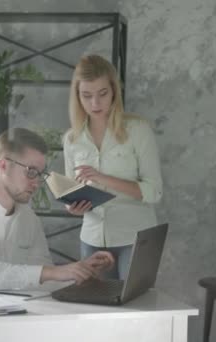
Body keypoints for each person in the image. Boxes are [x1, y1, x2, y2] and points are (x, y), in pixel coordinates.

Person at [0, 128, 114, 290]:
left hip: (5, 317)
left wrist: (80, 271)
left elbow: (44, 280)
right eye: (30, 171)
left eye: (39, 174)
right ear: (3, 165)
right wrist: (55, 272)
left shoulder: (29, 218)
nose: (36, 182)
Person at [63, 55, 163, 280]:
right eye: (86, 96)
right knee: (97, 312)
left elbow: (154, 191)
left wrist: (102, 178)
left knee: (135, 312)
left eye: (102, 94)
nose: (95, 104)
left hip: (135, 238)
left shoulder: (138, 130)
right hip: (91, 239)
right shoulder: (72, 139)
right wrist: (73, 208)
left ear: (114, 92)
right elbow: (71, 192)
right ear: (77, 96)